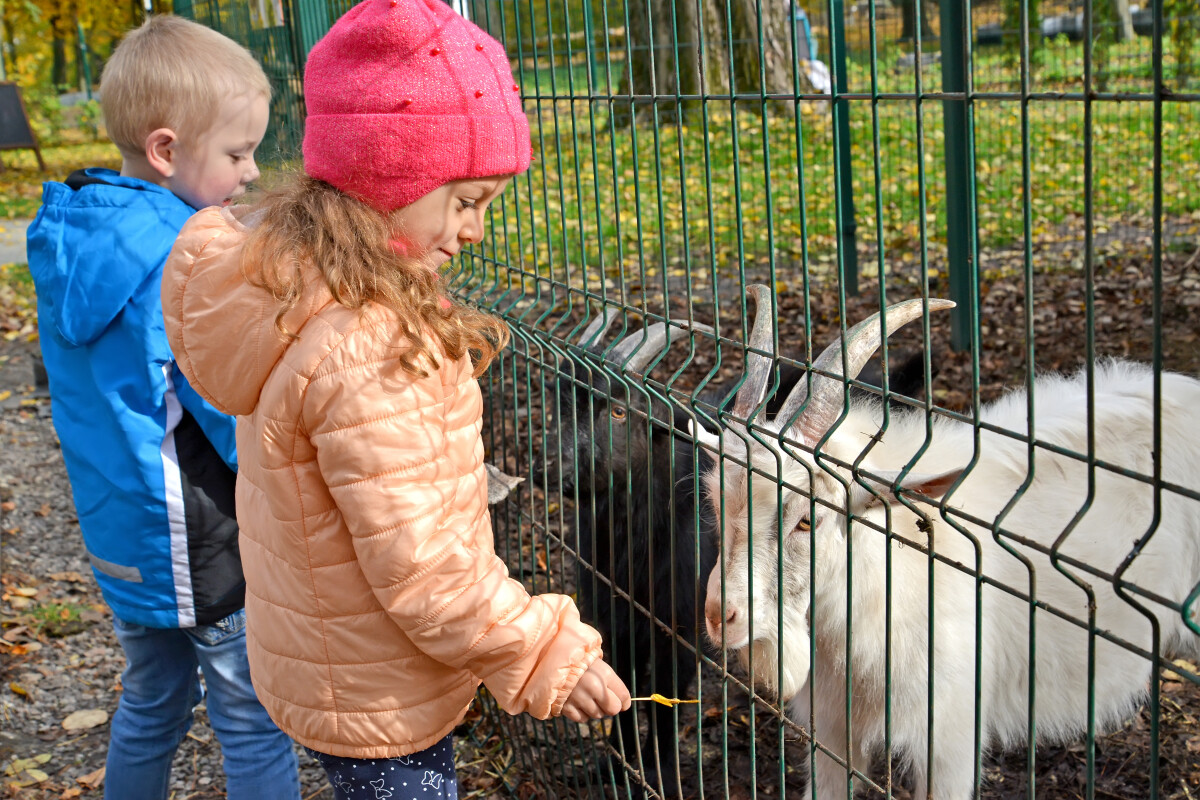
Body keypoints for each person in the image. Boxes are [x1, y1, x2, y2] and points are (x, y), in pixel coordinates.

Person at [159, 0, 631, 797]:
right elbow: (425, 570)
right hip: (378, 687)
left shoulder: (298, 288)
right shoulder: (372, 347)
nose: (476, 230)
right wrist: (545, 649)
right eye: (466, 200)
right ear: (392, 181)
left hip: (332, 658)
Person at [25, 15, 299, 800]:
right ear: (167, 150)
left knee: (153, 697)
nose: (251, 174)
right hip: (196, 534)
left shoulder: (78, 230)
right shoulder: (181, 257)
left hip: (122, 526)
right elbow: (223, 399)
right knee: (251, 713)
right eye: (238, 154)